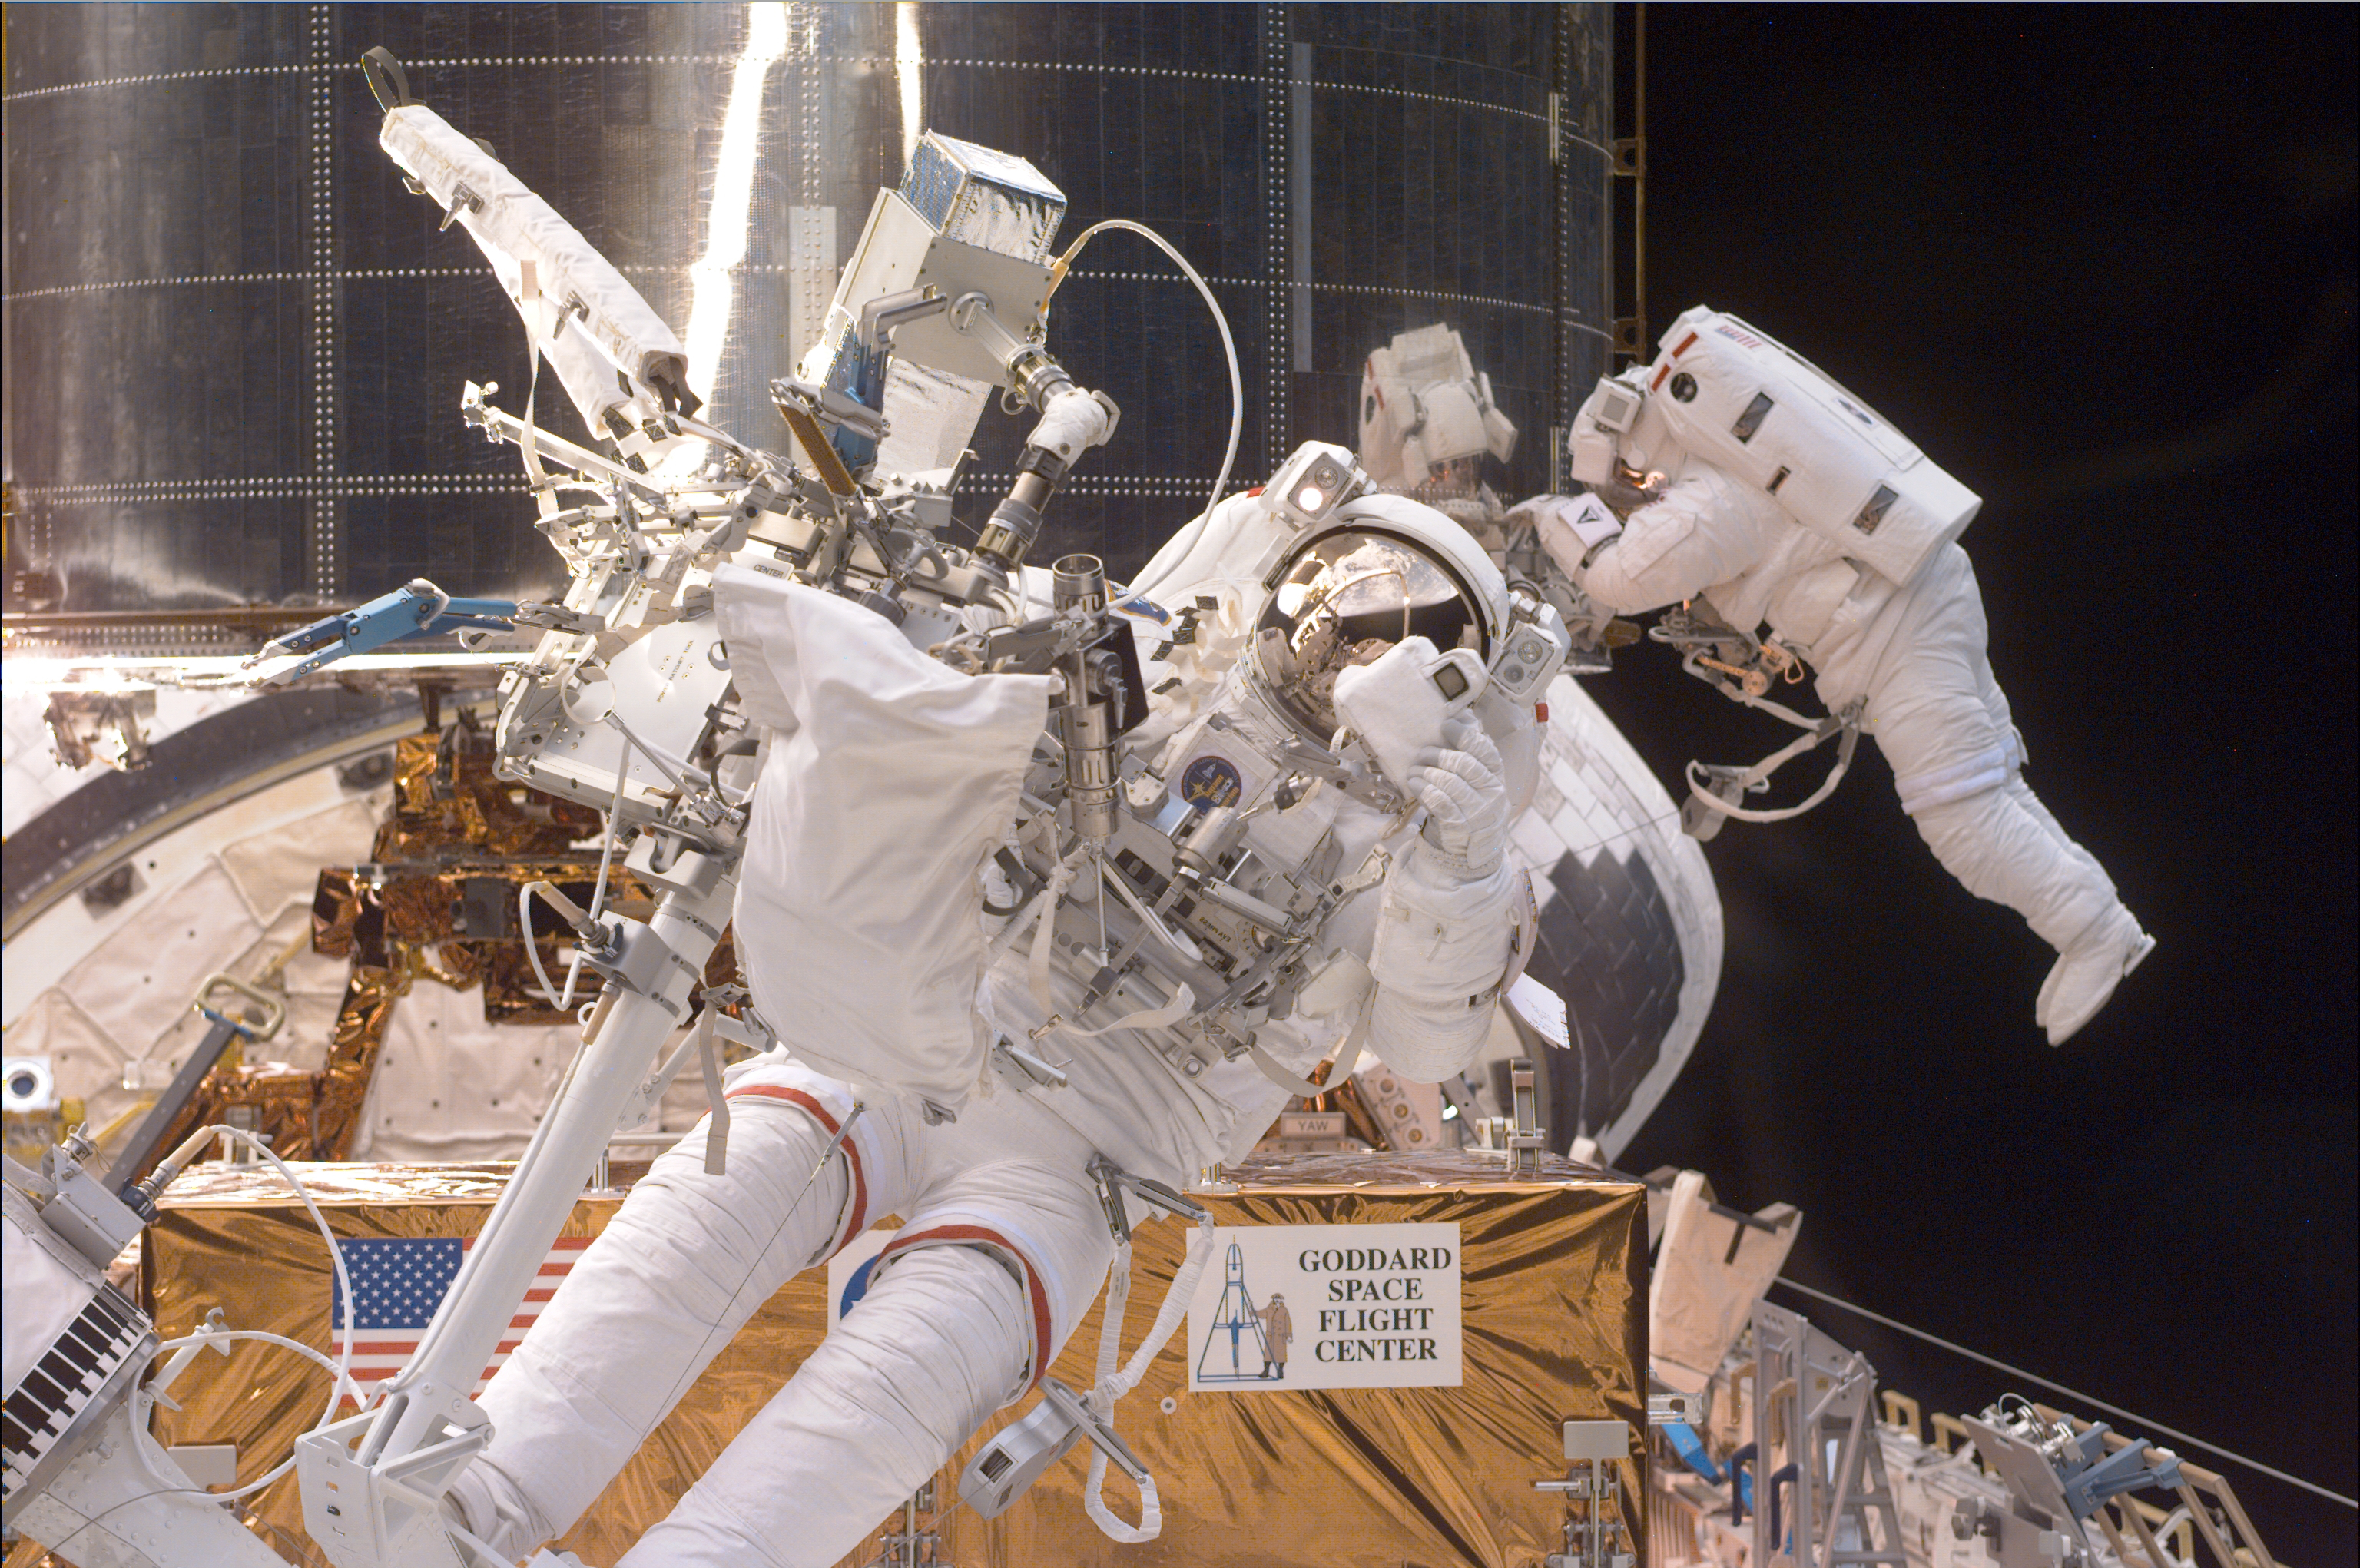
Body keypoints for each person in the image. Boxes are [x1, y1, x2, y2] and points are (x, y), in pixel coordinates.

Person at [441, 456, 1546, 1566]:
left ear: (1450, 672)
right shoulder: (1157, 659)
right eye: (1339, 594)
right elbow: (959, 676)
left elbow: (1423, 1039)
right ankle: (467, 1505)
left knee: (890, 1390)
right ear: (1286, 583)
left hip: (1092, 1161)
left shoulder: (1443, 843)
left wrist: (1462, 859)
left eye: (1393, 625)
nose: (1342, 640)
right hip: (930, 1041)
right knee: (692, 1225)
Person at [1523, 307, 2152, 1045]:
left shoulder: (1721, 496)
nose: (1639, 487)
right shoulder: (1745, 461)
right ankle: (2095, 920)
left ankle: (2095, 932)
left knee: (1960, 818)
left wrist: (1552, 517)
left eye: (1634, 473)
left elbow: (1622, 580)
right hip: (1923, 599)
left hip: (1896, 636)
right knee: (1993, 790)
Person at [1256, 1292, 1294, 1380]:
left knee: (1281, 1355)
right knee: (1268, 1355)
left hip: (1280, 1337)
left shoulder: (1284, 1310)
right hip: (1271, 1336)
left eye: (1279, 1298)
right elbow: (1261, 1313)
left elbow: (1288, 1323)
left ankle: (1280, 1372)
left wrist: (1289, 1335)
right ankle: (1266, 1371)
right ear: (1273, 1299)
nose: (1277, 1300)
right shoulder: (1269, 1309)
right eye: (1275, 1298)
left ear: (1281, 1300)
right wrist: (1253, 1311)